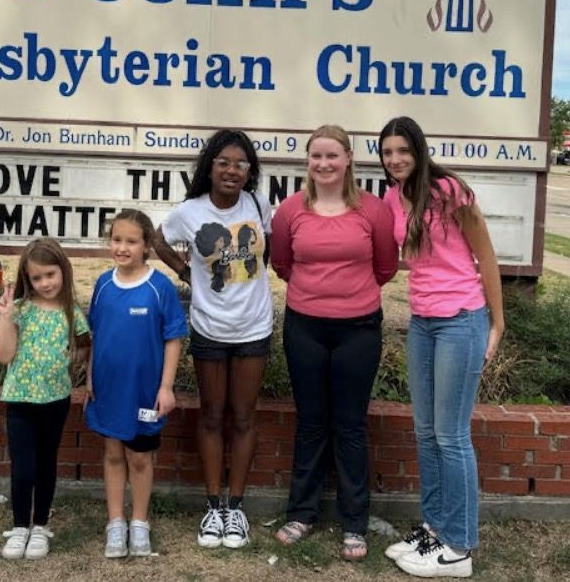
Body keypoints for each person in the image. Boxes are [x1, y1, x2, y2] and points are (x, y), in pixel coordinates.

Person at [378, 116, 504, 579]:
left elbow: (484, 254)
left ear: (419, 149)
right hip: (423, 322)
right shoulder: (394, 198)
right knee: (426, 432)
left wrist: (498, 321)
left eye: (402, 151)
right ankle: (435, 528)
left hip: (461, 320)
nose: (395, 160)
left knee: (452, 436)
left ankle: (460, 547)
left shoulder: (450, 191)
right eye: (388, 152)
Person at [270, 124, 398, 560]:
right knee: (310, 421)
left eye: (332, 156)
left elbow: (386, 267)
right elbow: (282, 264)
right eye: (315, 157)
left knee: (350, 424)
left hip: (358, 328)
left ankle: (354, 522)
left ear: (348, 159)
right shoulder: (289, 211)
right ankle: (301, 512)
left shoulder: (374, 211)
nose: (323, 164)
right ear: (307, 162)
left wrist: (346, 294)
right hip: (304, 325)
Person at [154, 130, 273, 550]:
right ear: (210, 166)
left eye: (241, 164)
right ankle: (212, 507)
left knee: (243, 417)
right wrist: (187, 274)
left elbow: (266, 253)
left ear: (249, 172)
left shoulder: (259, 205)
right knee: (211, 415)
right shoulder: (189, 211)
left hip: (254, 326)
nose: (232, 171)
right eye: (224, 162)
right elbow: (157, 238)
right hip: (209, 326)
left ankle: (235, 507)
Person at [84, 209, 188, 558]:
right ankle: (116, 523)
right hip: (108, 389)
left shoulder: (159, 287)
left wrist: (166, 387)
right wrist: (89, 378)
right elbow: (95, 334)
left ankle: (139, 523)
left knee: (140, 458)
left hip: (144, 392)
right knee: (113, 453)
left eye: (131, 241)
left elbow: (173, 338)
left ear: (146, 246)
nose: (122, 247)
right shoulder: (102, 285)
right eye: (116, 240)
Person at [0, 238, 91, 560]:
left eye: (50, 274)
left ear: (63, 271)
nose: (45, 283)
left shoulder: (71, 313)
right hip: (20, 400)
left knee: (46, 463)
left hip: (55, 400)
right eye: (37, 278)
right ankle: (20, 525)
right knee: (23, 467)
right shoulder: (20, 310)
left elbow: (83, 347)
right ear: (27, 279)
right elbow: (4, 354)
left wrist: (74, 366)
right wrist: (6, 319)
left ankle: (40, 525)